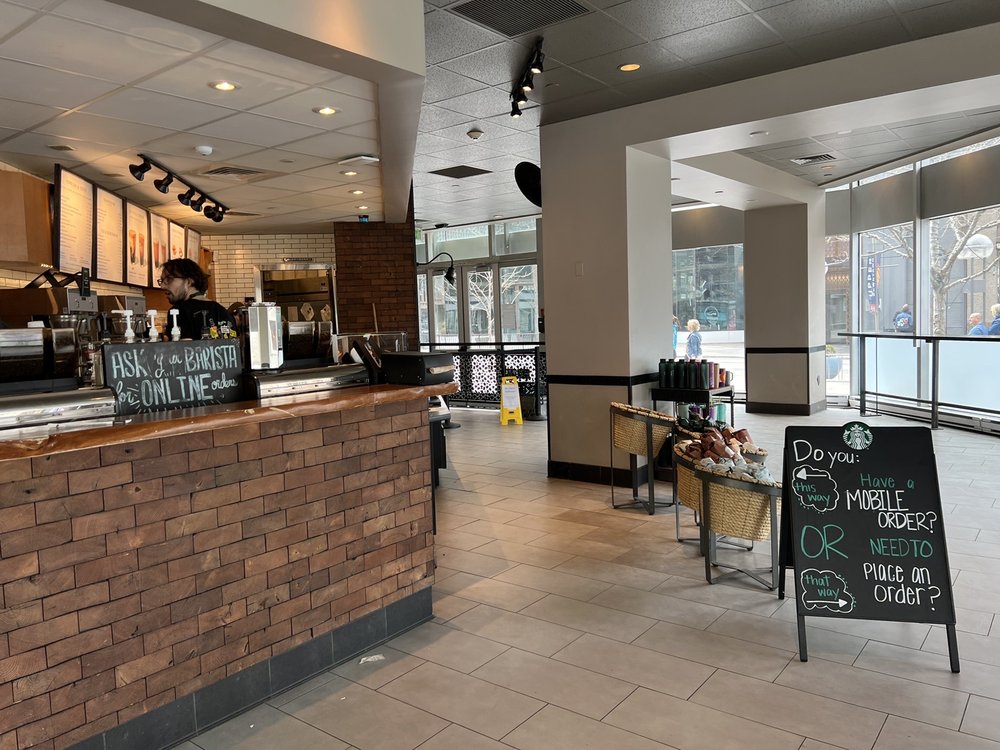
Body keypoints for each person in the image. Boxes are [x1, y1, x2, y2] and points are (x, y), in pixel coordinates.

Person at [157, 258, 236, 340]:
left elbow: (183, 347)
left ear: (189, 281)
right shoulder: (223, 311)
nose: (162, 286)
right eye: (161, 281)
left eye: (168, 279)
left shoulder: (178, 312)